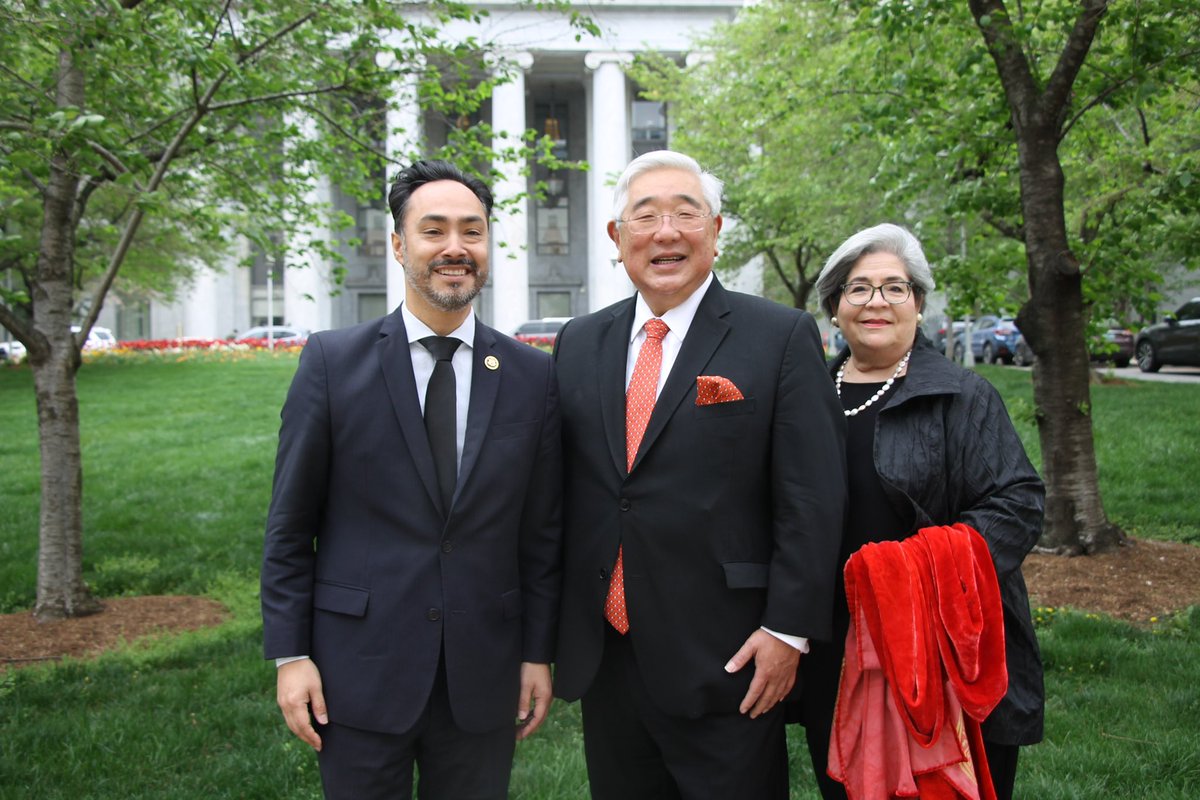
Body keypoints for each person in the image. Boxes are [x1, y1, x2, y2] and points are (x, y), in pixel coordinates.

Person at [260, 160, 563, 800]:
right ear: (399, 245)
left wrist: (537, 652)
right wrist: (291, 656)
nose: (455, 248)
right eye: (434, 230)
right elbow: (291, 527)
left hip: (483, 675)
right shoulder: (331, 364)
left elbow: (541, 535)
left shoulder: (532, 377)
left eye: (472, 231)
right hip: (355, 672)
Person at [552, 150, 847, 800]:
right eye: (645, 216)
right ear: (616, 238)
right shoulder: (579, 342)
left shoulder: (779, 337)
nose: (666, 233)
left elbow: (814, 498)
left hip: (732, 658)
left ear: (715, 232)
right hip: (609, 658)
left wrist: (787, 632)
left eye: (686, 214)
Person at [801, 223, 1045, 800]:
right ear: (835, 308)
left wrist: (908, 572)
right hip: (836, 647)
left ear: (918, 304)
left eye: (895, 288)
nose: (876, 302)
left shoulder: (962, 394)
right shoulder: (806, 397)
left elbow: (1018, 504)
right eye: (858, 289)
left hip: (943, 648)